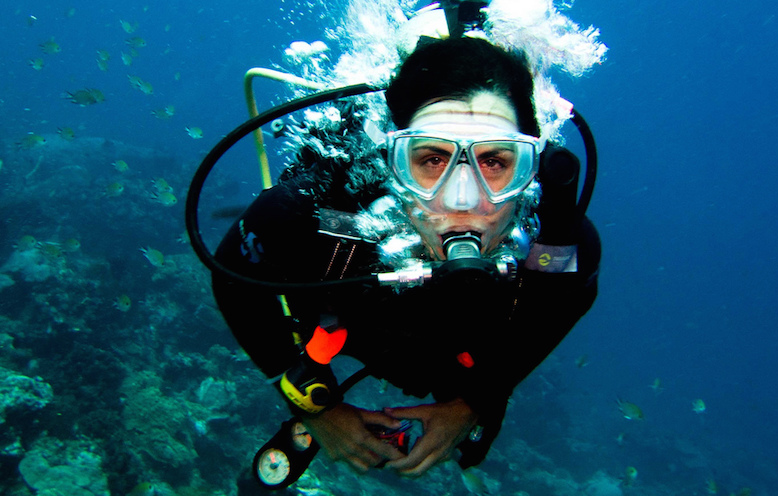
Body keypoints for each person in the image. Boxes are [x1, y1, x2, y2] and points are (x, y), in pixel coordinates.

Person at [211, 34, 600, 481]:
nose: (462, 199)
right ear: (391, 160)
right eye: (432, 158)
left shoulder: (554, 242)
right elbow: (234, 278)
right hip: (344, 323)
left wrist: (474, 401)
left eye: (494, 162)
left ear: (530, 170)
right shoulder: (306, 210)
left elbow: (566, 299)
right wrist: (315, 405)